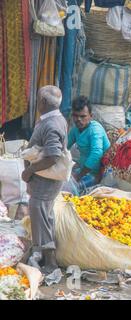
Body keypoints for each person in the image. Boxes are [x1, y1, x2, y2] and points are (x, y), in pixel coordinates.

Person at [21, 86, 68, 274]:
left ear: (43, 103)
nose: (36, 103)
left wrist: (30, 170)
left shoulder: (52, 124)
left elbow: (53, 156)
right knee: (44, 216)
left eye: (38, 99)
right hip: (44, 180)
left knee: (40, 215)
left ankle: (50, 262)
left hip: (45, 181)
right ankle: (43, 255)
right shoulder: (54, 119)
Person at [67, 96, 110, 193]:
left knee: (72, 188)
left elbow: (96, 153)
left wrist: (79, 175)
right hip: (83, 169)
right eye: (75, 115)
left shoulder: (95, 129)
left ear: (91, 116)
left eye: (83, 116)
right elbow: (64, 147)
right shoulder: (75, 130)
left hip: (98, 173)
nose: (78, 119)